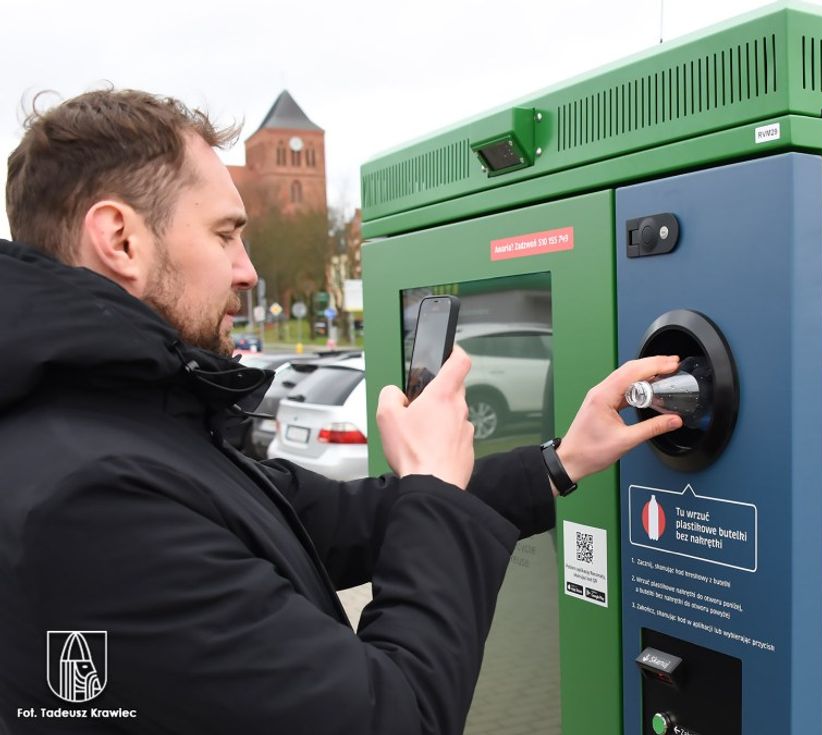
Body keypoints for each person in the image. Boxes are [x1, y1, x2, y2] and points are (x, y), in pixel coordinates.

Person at [0, 89, 682, 734]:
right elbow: (394, 715)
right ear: (120, 240)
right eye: (225, 234)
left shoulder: (135, 432)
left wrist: (560, 462)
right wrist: (434, 486)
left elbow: (356, 517)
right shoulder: (91, 502)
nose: (247, 269)